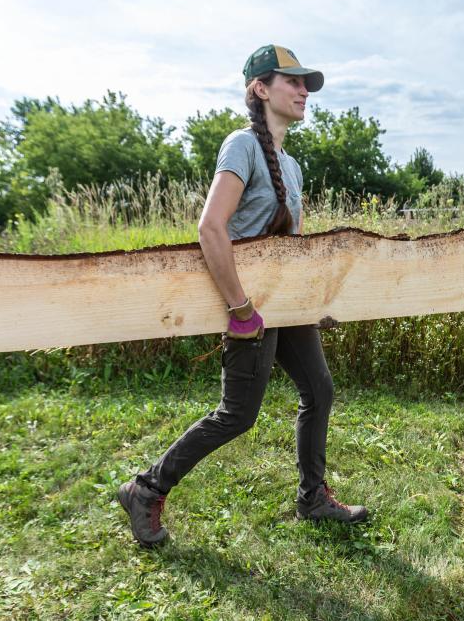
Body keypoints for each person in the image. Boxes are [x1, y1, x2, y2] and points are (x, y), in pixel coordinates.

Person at [118, 45, 368, 547]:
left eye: (306, 85)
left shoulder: (291, 166)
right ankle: (145, 489)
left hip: (285, 305)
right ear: (260, 89)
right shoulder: (241, 146)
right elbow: (211, 229)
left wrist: (310, 303)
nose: (303, 92)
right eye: (292, 82)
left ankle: (313, 497)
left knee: (319, 390)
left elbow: (290, 250)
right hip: (246, 307)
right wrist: (240, 309)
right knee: (237, 415)